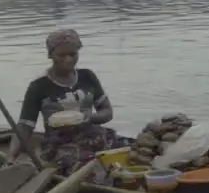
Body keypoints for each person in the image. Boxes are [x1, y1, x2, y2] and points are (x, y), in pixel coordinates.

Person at [8, 28, 127, 176]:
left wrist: (86, 118)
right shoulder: (39, 86)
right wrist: (11, 156)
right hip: (59, 144)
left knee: (127, 149)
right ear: (50, 55)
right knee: (82, 165)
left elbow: (107, 112)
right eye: (61, 55)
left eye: (73, 54)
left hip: (91, 135)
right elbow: (25, 126)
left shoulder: (87, 77)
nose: (68, 60)